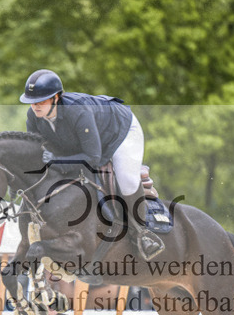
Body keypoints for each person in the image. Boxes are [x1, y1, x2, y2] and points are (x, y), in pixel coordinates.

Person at [20, 69, 165, 261]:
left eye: (41, 100)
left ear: (56, 98)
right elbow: (37, 152)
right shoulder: (33, 117)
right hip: (85, 141)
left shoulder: (77, 111)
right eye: (32, 101)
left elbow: (93, 158)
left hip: (119, 133)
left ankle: (142, 233)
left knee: (127, 180)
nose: (35, 106)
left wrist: (57, 161)